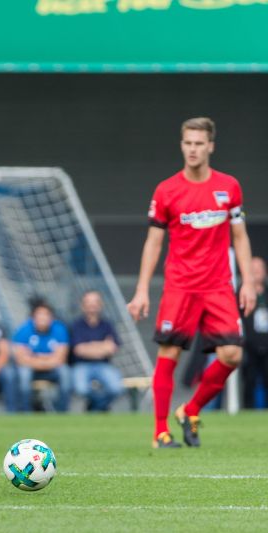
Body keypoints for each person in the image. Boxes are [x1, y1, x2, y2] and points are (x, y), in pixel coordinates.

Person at [127, 117, 255, 448]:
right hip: (180, 286)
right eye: (188, 143)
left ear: (210, 145)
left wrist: (249, 281)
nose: (193, 149)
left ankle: (190, 409)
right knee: (169, 354)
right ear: (181, 145)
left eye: (199, 143)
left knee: (231, 355)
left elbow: (239, 237)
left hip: (218, 286)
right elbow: (153, 242)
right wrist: (142, 290)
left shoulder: (229, 187)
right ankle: (160, 431)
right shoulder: (167, 190)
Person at [12, 300, 71, 412]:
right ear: (33, 317)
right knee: (23, 373)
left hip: (51, 370)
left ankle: (62, 411)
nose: (43, 318)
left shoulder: (60, 329)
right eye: (40, 315)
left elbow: (60, 359)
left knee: (65, 372)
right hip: (32, 370)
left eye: (46, 315)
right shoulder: (24, 330)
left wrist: (34, 357)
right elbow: (21, 359)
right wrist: (47, 358)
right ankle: (25, 411)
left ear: (51, 318)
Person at [70, 290, 123, 412]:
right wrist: (102, 346)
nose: (92, 305)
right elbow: (79, 350)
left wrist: (89, 347)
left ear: (100, 304)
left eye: (95, 302)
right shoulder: (76, 325)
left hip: (103, 365)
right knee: (81, 389)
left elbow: (112, 348)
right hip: (81, 365)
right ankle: (100, 406)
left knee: (116, 388)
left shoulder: (107, 325)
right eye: (88, 302)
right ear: (83, 305)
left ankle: (95, 407)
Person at [242, 257, 268, 408]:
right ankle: (248, 410)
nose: (256, 272)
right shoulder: (240, 293)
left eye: (259, 269)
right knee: (249, 380)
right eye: (253, 269)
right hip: (249, 346)